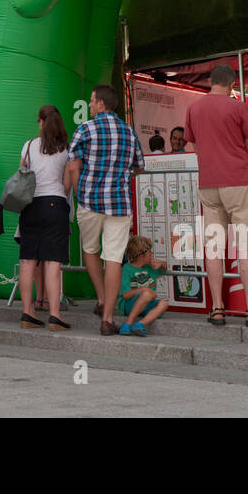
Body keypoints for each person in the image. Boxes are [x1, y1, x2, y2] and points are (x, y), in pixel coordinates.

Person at [184, 62, 248, 327]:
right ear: (233, 84)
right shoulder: (238, 107)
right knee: (246, 248)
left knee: (213, 247)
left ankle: (217, 309)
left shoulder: (194, 108)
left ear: (210, 81)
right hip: (237, 182)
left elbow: (195, 145)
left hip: (208, 184)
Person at [65, 83, 145, 336]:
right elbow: (140, 166)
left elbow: (73, 167)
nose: (89, 105)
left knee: (90, 250)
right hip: (119, 203)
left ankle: (101, 298)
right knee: (113, 260)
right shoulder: (129, 133)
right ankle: (108, 317)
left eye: (91, 101)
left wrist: (80, 193)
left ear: (101, 103)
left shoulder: (85, 129)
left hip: (89, 201)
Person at [17, 105, 72, 331]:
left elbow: (21, 176)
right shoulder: (66, 149)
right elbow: (67, 184)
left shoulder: (29, 146)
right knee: (52, 262)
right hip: (55, 204)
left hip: (30, 206)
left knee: (28, 261)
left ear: (40, 121)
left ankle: (27, 312)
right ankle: (54, 315)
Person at [117, 235, 168, 335]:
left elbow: (165, 268)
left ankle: (140, 324)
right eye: (149, 252)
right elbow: (125, 295)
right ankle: (128, 324)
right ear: (141, 256)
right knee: (147, 293)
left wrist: (161, 264)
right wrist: (143, 290)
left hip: (146, 304)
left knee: (164, 304)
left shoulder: (149, 267)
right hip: (129, 305)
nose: (152, 254)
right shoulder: (126, 269)